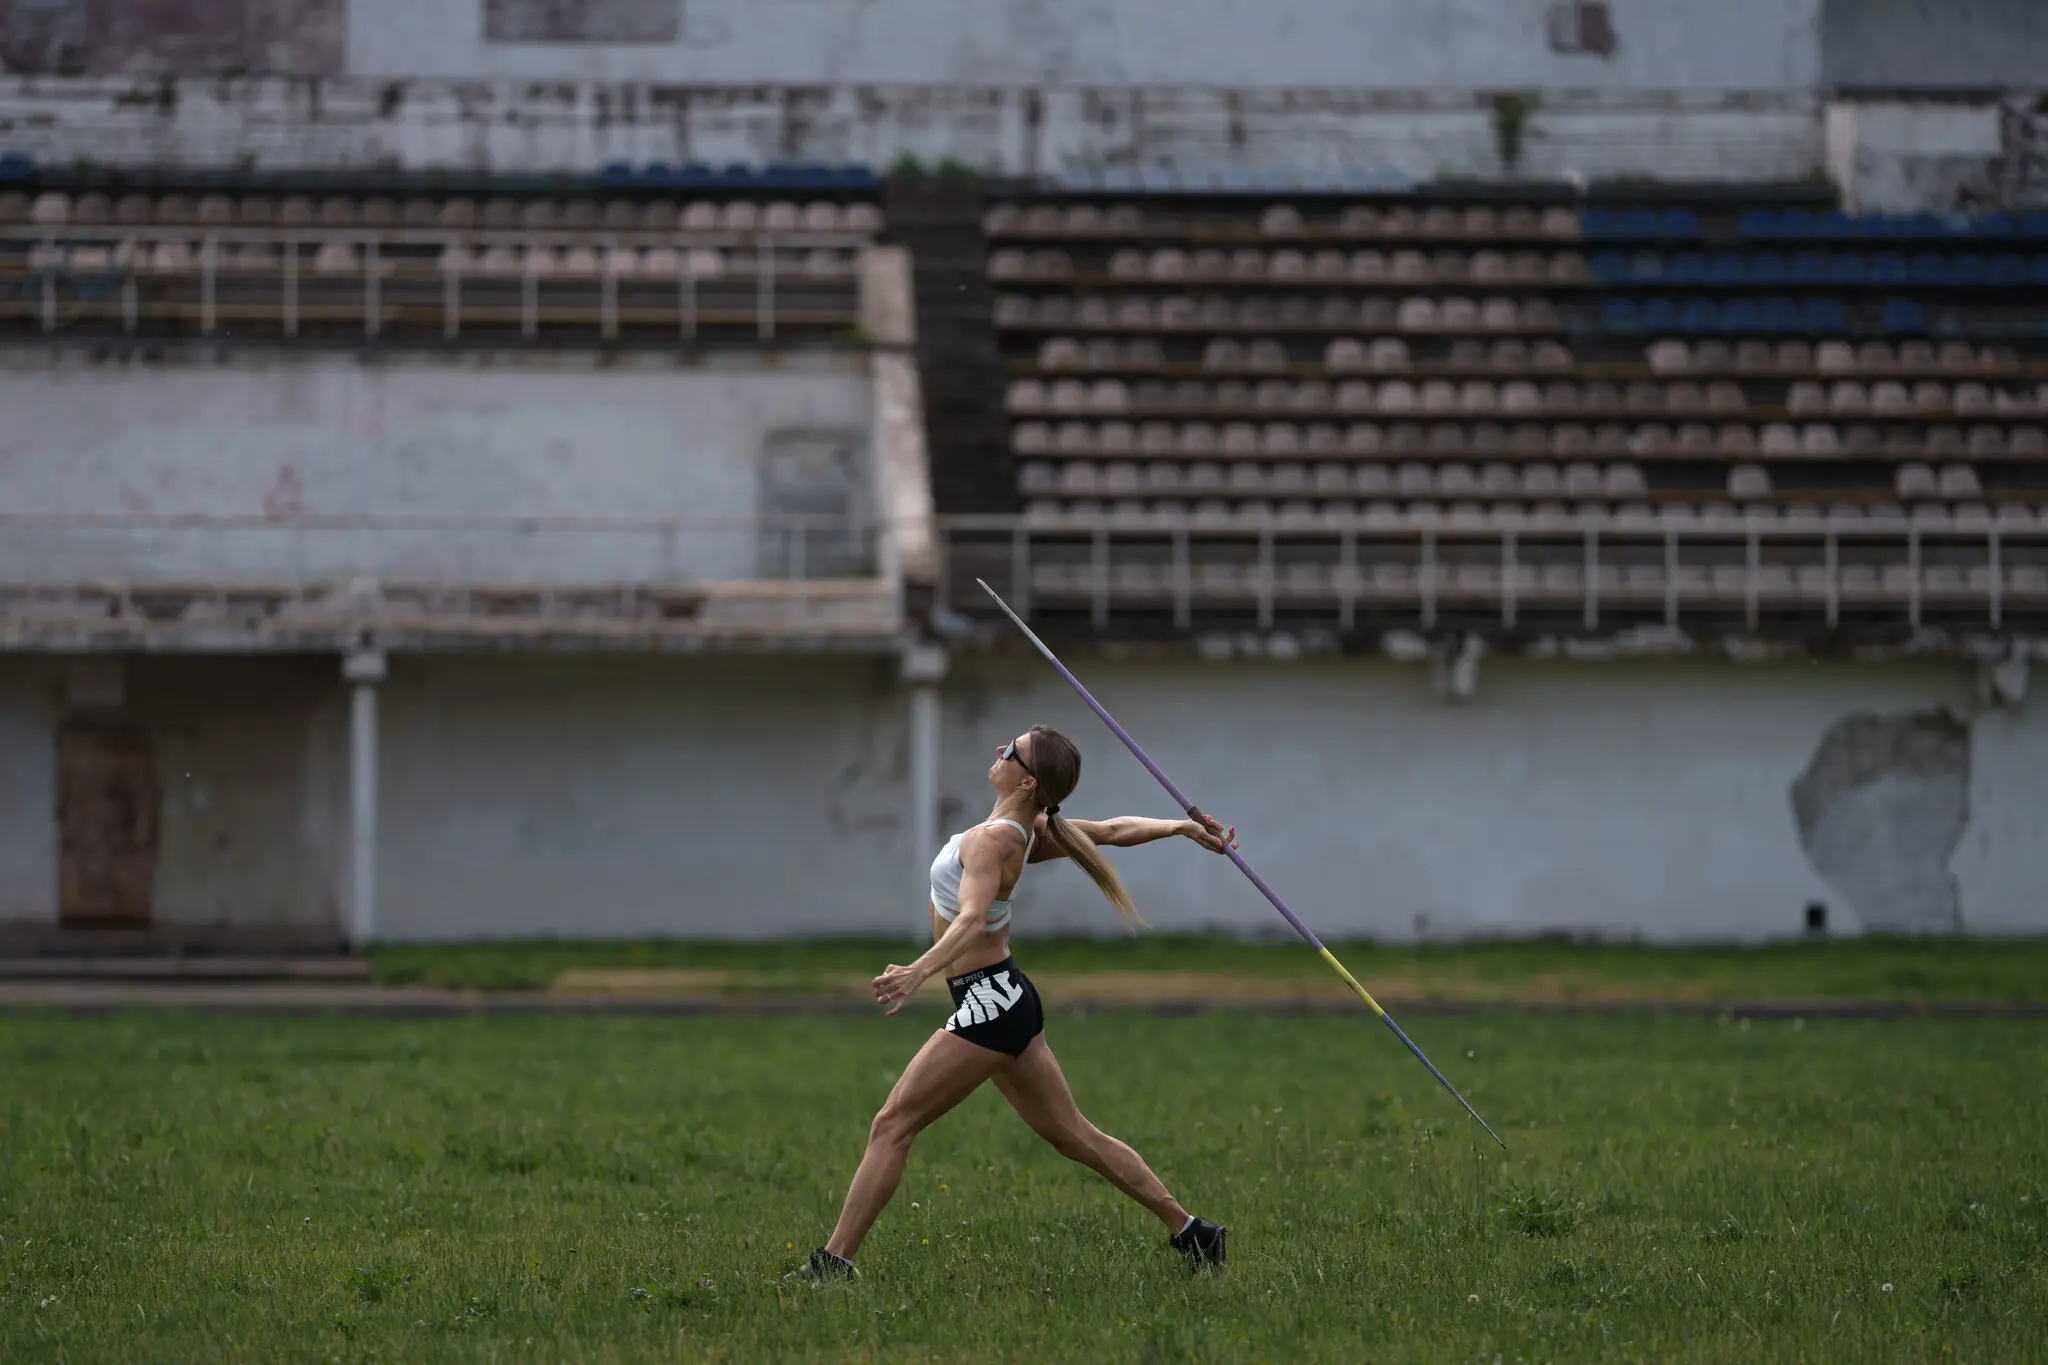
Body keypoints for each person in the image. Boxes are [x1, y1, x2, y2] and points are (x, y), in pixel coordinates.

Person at [788, 723, 1238, 1282]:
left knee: (892, 1125)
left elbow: (973, 917)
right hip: (1007, 998)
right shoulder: (1029, 829)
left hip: (990, 1005)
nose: (998, 751)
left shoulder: (997, 839)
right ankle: (1192, 1232)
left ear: (1027, 781)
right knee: (1076, 1135)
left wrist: (918, 972)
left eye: (1012, 751)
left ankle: (834, 1264)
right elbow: (1112, 829)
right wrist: (1180, 826)